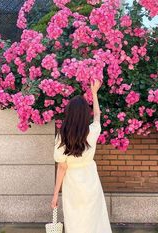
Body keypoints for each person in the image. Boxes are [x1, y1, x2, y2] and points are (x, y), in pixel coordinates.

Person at [51, 79, 112, 233]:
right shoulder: (92, 131)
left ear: (69, 113)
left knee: (75, 221)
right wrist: (94, 93)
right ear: (86, 114)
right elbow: (97, 116)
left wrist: (55, 195)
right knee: (94, 220)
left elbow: (62, 168)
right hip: (90, 179)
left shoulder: (62, 137)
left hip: (72, 183)